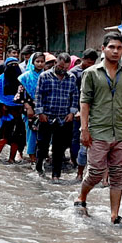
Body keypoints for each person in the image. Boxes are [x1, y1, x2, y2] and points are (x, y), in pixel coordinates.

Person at [74, 32, 122, 226]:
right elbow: (85, 102)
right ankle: (81, 196)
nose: (115, 51)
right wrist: (84, 129)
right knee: (96, 173)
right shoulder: (91, 73)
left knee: (117, 175)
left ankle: (115, 216)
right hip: (98, 131)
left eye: (119, 48)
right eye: (111, 47)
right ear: (103, 49)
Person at [34, 53, 79, 182]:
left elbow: (74, 97)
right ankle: (39, 167)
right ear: (56, 63)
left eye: (65, 68)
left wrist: (72, 112)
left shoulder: (71, 78)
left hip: (63, 118)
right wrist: (40, 113)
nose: (63, 70)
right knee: (42, 145)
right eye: (61, 66)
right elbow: (38, 96)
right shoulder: (44, 76)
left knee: (58, 148)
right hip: (46, 116)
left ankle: (56, 175)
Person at [69, 49, 98, 180]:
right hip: (77, 110)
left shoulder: (96, 72)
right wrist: (75, 110)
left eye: (93, 63)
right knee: (77, 138)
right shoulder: (74, 74)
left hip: (93, 111)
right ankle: (75, 163)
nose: (90, 65)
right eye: (88, 62)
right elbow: (72, 94)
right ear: (83, 59)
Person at [0, 57, 26, 163]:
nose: (13, 67)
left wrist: (22, 104)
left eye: (16, 64)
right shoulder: (1, 78)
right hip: (6, 111)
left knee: (17, 137)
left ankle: (12, 158)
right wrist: (2, 104)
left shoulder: (21, 79)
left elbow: (24, 93)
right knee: (4, 135)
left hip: (18, 110)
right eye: (11, 64)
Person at [16, 52, 46, 163]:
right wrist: (28, 107)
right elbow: (20, 94)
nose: (40, 64)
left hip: (43, 108)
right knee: (31, 132)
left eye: (42, 61)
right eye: (37, 61)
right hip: (29, 108)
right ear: (32, 62)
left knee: (43, 132)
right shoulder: (25, 77)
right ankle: (32, 155)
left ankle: (41, 155)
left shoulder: (46, 75)